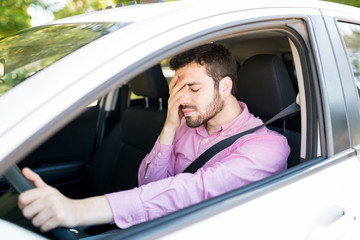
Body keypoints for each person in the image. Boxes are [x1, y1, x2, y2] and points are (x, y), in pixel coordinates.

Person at [18, 44, 290, 232]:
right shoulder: (187, 124)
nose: (181, 98)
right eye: (177, 88)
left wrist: (77, 211)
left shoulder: (267, 148)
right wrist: (170, 126)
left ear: (225, 87)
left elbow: (195, 190)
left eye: (193, 88)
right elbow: (148, 183)